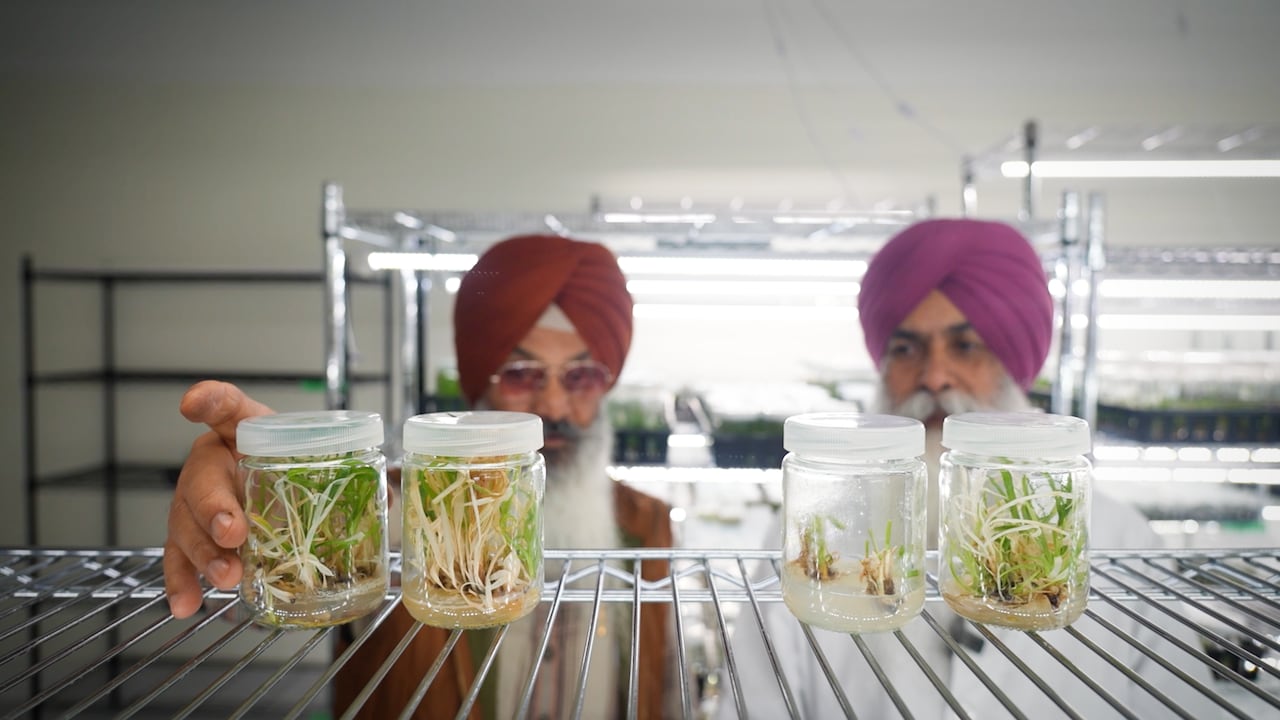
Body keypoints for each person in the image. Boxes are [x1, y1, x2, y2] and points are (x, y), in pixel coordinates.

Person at [719, 219, 1218, 718]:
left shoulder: (1123, 539)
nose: (934, 376)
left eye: (965, 345)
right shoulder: (804, 545)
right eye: (906, 348)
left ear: (1012, 365)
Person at [164, 234, 673, 719]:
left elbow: (669, 692)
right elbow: (248, 607)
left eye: (581, 376)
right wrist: (270, 502)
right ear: (481, 388)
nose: (555, 405)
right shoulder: (388, 505)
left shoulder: (652, 528)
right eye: (522, 374)